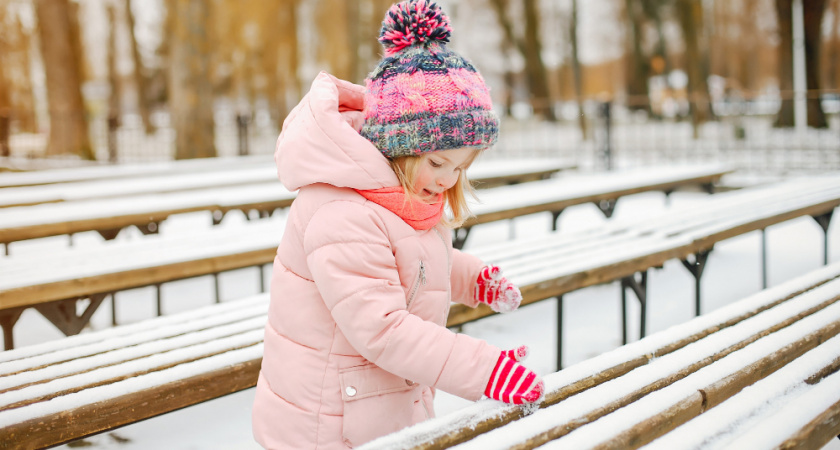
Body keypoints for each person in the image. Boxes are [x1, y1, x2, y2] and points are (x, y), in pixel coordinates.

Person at [252, 1, 543, 448]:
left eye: (461, 168)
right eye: (438, 162)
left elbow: (407, 260)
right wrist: (485, 369)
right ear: (398, 148)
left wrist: (467, 277)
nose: (448, 180)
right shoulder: (342, 211)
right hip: (325, 426)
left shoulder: (398, 195)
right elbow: (383, 327)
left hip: (374, 407)